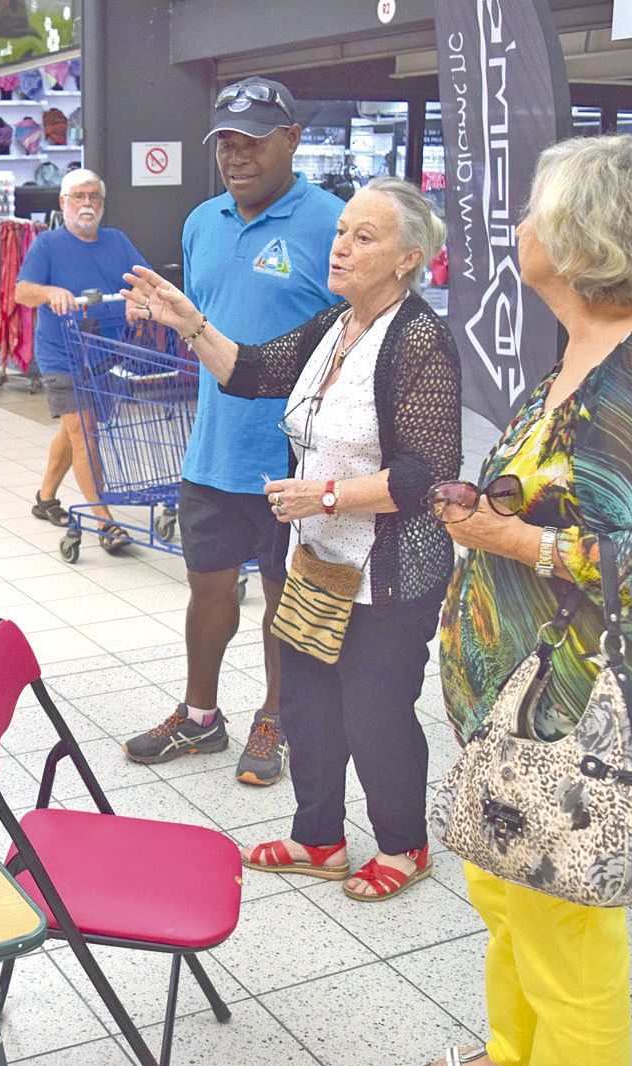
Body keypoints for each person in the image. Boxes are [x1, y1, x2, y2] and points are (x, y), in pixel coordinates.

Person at [424, 135, 632, 1066]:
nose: (517, 225)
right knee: (504, 881)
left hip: (576, 705)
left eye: (533, 209)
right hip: (512, 687)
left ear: (576, 235)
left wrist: (510, 541)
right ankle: (514, 1050)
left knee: (567, 924)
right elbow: (575, 490)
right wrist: (493, 509)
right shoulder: (589, 341)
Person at [122, 174, 460, 901]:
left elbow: (427, 473)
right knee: (307, 704)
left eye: (364, 237)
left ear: (407, 259)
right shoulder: (331, 326)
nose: (340, 247)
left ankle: (405, 845)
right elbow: (247, 372)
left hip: (389, 570)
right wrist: (189, 321)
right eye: (342, 233)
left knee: (373, 713)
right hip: (319, 561)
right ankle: (320, 838)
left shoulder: (421, 339)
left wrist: (327, 492)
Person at [121, 78, 344, 785]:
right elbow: (207, 325)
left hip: (293, 460)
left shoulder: (333, 224)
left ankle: (274, 716)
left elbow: (355, 341)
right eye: (225, 142)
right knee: (208, 591)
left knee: (285, 595)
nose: (236, 155)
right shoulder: (202, 222)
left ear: (293, 138)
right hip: (213, 448)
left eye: (253, 139)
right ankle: (199, 717)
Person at [16, 168, 147, 551]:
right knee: (84, 431)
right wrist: (50, 292)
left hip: (104, 355)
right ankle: (104, 522)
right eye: (79, 197)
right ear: (63, 203)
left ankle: (45, 498)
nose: (87, 204)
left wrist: (140, 300)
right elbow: (23, 292)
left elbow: (144, 279)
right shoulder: (47, 245)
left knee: (73, 430)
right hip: (61, 355)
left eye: (94, 197)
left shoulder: (117, 242)